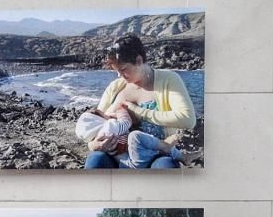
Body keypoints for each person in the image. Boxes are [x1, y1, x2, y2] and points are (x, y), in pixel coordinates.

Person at [85, 34, 199, 169]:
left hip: (156, 155)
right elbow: (96, 125)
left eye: (123, 69)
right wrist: (94, 145)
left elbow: (188, 119)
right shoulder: (115, 87)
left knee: (165, 166)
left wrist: (139, 112)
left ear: (139, 60)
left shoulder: (169, 79)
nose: (119, 76)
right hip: (119, 156)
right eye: (116, 71)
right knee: (95, 159)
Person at [76, 95, 202, 169]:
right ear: (98, 118)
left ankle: (180, 155)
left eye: (123, 67)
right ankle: (168, 147)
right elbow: (125, 123)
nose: (119, 73)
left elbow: (187, 118)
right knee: (134, 136)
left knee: (165, 163)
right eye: (101, 113)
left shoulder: (101, 130)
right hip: (133, 161)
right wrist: (121, 111)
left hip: (133, 160)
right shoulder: (108, 127)